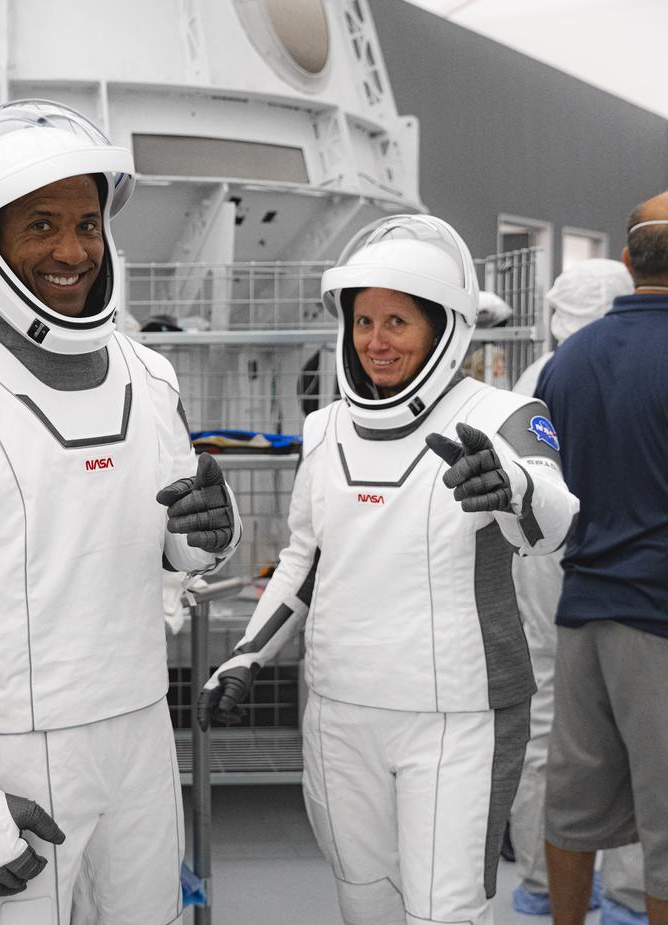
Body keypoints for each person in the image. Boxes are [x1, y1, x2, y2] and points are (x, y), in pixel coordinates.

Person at [0, 99, 239, 924]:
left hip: (141, 727)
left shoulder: (149, 375)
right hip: (14, 753)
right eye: (41, 225)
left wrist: (209, 532)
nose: (72, 251)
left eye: (87, 223)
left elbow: (176, 544)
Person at [198, 213, 579, 925]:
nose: (375, 341)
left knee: (446, 912)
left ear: (442, 328)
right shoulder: (325, 428)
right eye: (363, 320)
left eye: (397, 322)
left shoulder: (507, 414)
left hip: (457, 716)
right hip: (340, 711)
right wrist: (246, 655)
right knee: (365, 904)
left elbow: (556, 521)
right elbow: (306, 560)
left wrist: (516, 489)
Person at [538, 192, 668, 925]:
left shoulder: (568, 363)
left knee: (573, 803)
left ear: (626, 262)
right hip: (660, 621)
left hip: (581, 609)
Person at [508, 258, 648, 923]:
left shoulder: (538, 379)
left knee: (548, 729)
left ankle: (545, 883)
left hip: (549, 571)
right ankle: (628, 896)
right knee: (644, 745)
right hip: (637, 582)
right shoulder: (648, 354)